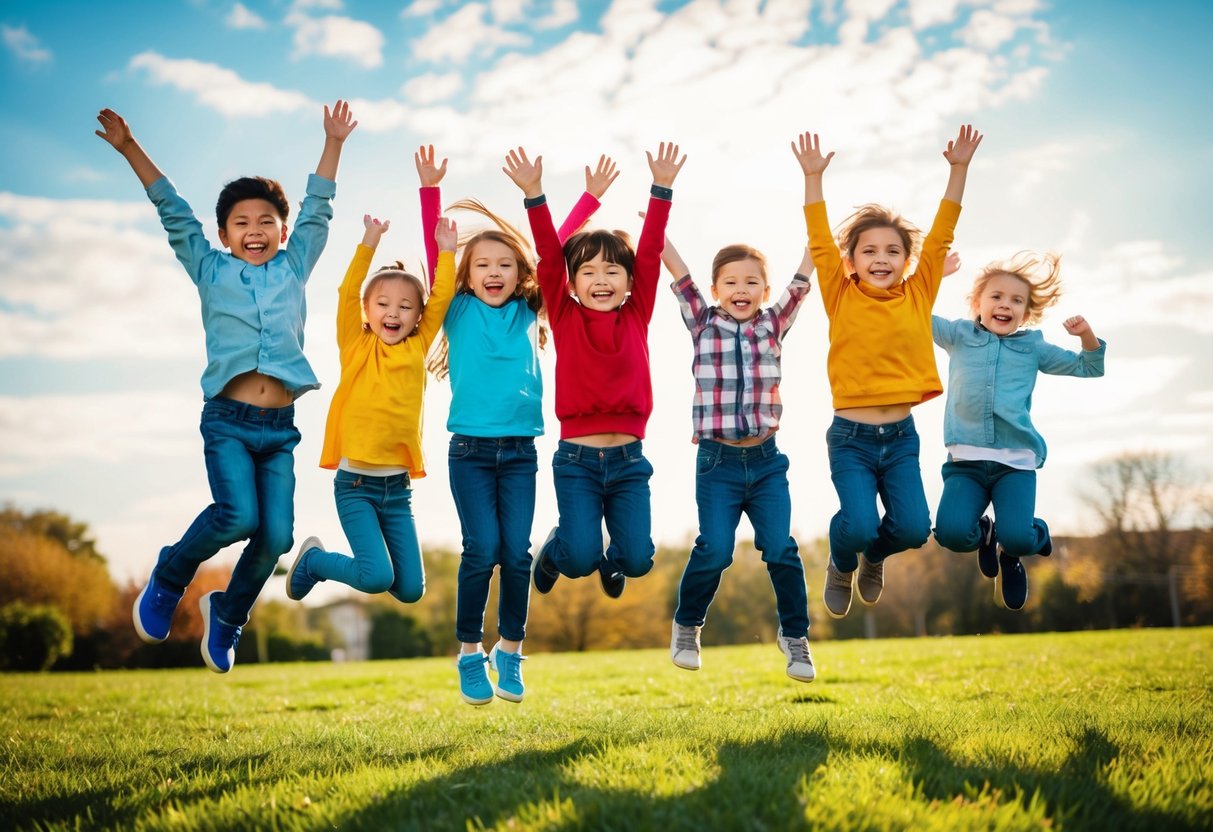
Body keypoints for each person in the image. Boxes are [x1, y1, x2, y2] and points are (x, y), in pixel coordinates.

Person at [95, 101, 356, 673]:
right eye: (241, 223)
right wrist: (129, 148)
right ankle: (169, 577)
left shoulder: (294, 266)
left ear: (283, 232)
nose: (255, 231)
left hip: (280, 431)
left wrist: (333, 142)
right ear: (223, 233)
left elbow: (319, 211)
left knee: (277, 536)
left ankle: (228, 613)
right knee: (238, 517)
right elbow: (173, 211)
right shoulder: (209, 268)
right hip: (229, 422)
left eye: (266, 222)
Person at [417, 148, 618, 706]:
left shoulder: (531, 307)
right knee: (481, 548)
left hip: (520, 452)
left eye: (505, 265)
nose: (495, 273)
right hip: (471, 453)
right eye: (483, 265)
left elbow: (552, 253)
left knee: (518, 553)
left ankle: (509, 650)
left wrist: (589, 200)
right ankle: (467, 653)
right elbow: (438, 253)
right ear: (467, 273)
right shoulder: (454, 309)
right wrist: (430, 193)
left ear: (520, 273)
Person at [791, 125, 982, 619]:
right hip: (851, 437)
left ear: (907, 260)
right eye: (869, 251)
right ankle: (841, 561)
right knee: (856, 526)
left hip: (900, 437)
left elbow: (942, 232)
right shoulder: (840, 292)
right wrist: (814, 179)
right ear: (850, 261)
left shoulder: (919, 294)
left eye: (893, 251)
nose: (881, 258)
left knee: (914, 530)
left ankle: (874, 558)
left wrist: (958, 170)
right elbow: (817, 235)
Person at [503, 143, 685, 601]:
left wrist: (661, 189)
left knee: (638, 560)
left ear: (628, 282)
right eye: (588, 272)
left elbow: (648, 255)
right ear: (573, 282)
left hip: (628, 461)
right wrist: (535, 195)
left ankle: (615, 561)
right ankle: (556, 550)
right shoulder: (565, 317)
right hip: (577, 462)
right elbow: (547, 255)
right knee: (579, 558)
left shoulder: (636, 313)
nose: (601, 280)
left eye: (612, 271)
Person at [661, 232, 817, 683]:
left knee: (782, 549)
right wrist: (657, 231)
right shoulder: (701, 322)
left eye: (751, 283)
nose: (740, 291)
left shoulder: (773, 324)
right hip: (717, 464)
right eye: (730, 283)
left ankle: (794, 637)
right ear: (715, 292)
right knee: (715, 549)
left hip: (767, 461)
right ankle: (687, 626)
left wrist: (813, 250)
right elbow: (678, 273)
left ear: (765, 293)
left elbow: (802, 283)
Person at [287, 212, 457, 621]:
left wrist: (447, 254)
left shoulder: (418, 346)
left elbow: (442, 298)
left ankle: (321, 563)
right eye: (382, 304)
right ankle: (315, 562)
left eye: (404, 307)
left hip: (397, 492)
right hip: (357, 487)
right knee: (377, 576)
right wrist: (369, 243)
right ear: (367, 309)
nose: (393, 313)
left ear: (419, 316)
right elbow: (347, 291)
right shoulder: (356, 344)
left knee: (411, 589)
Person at [932, 252, 1105, 609]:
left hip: (1016, 464)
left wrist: (1086, 335)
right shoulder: (958, 335)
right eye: (996, 296)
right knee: (950, 533)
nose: (1005, 305)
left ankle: (1016, 549)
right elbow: (911, 312)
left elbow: (1089, 367)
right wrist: (935, 275)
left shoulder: (1033, 348)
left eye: (1016, 301)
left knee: (1020, 537)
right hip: (966, 463)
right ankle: (985, 534)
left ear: (1026, 313)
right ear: (976, 303)